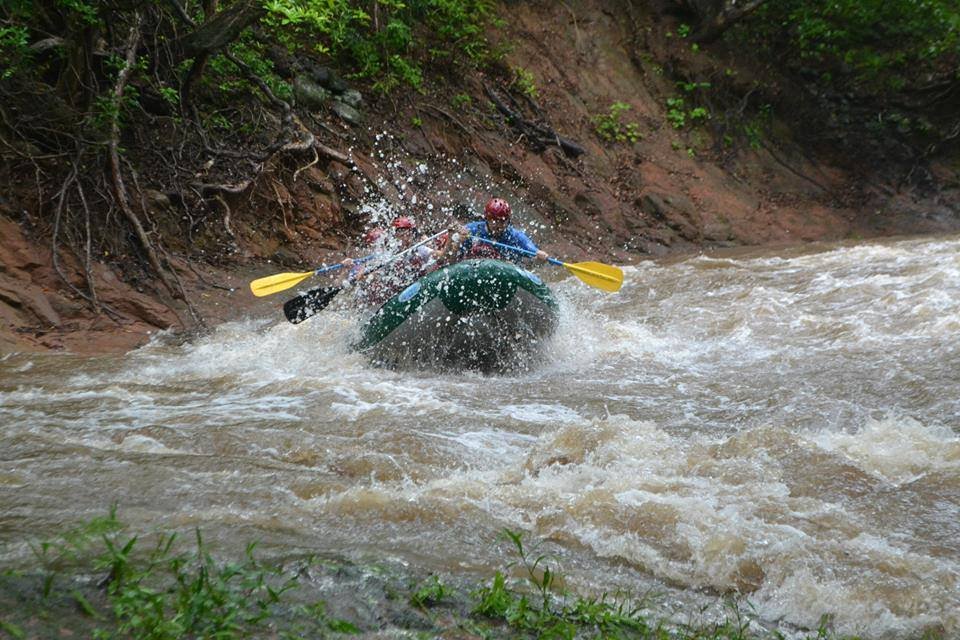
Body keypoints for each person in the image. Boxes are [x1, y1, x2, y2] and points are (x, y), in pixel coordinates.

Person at [439, 198, 549, 266]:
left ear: (508, 221)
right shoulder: (472, 231)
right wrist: (454, 239)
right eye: (494, 220)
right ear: (487, 219)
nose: (497, 225)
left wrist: (539, 256)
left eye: (502, 221)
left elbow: (534, 252)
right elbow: (448, 260)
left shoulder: (516, 237)